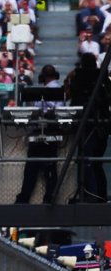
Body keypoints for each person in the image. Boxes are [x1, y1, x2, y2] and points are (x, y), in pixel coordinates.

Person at [65, 52, 110, 202]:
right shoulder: (102, 77)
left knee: (88, 160)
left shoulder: (81, 78)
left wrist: (69, 78)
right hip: (100, 125)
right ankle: (99, 195)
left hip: (92, 125)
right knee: (95, 162)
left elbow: (69, 94)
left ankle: (91, 196)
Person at [15, 64, 63, 204]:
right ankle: (43, 198)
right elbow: (35, 110)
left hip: (50, 129)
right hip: (40, 130)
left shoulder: (57, 90)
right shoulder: (39, 91)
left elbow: (58, 110)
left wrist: (46, 101)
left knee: (40, 167)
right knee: (37, 167)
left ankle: (45, 197)